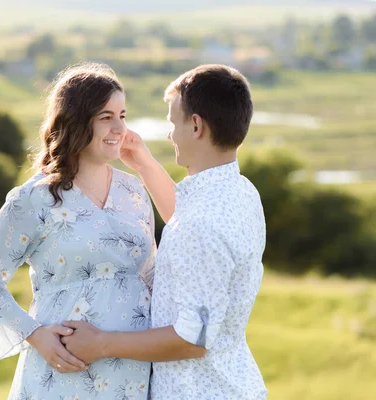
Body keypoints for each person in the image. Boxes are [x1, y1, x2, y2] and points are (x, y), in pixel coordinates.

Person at [61, 64, 268, 400]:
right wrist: (143, 163)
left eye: (174, 123)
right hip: (233, 384)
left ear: (197, 125)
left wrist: (99, 343)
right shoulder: (240, 193)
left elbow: (192, 340)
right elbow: (185, 223)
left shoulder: (200, 225)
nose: (170, 134)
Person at [0, 62, 157, 399]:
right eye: (106, 117)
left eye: (122, 116)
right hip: (64, 375)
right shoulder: (34, 198)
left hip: (133, 373)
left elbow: (151, 275)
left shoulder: (134, 191)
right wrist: (35, 334)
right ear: (77, 121)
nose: (119, 129)